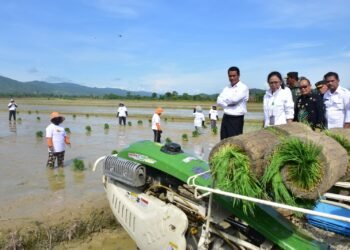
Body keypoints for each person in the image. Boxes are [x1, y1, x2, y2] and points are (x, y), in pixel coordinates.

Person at [217, 66, 249, 139]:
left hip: (236, 119)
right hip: (226, 117)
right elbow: (218, 100)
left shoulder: (243, 87)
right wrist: (228, 103)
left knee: (234, 143)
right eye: (230, 76)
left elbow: (234, 100)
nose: (232, 78)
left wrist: (225, 101)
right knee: (223, 141)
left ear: (238, 75)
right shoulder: (226, 88)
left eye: (234, 76)